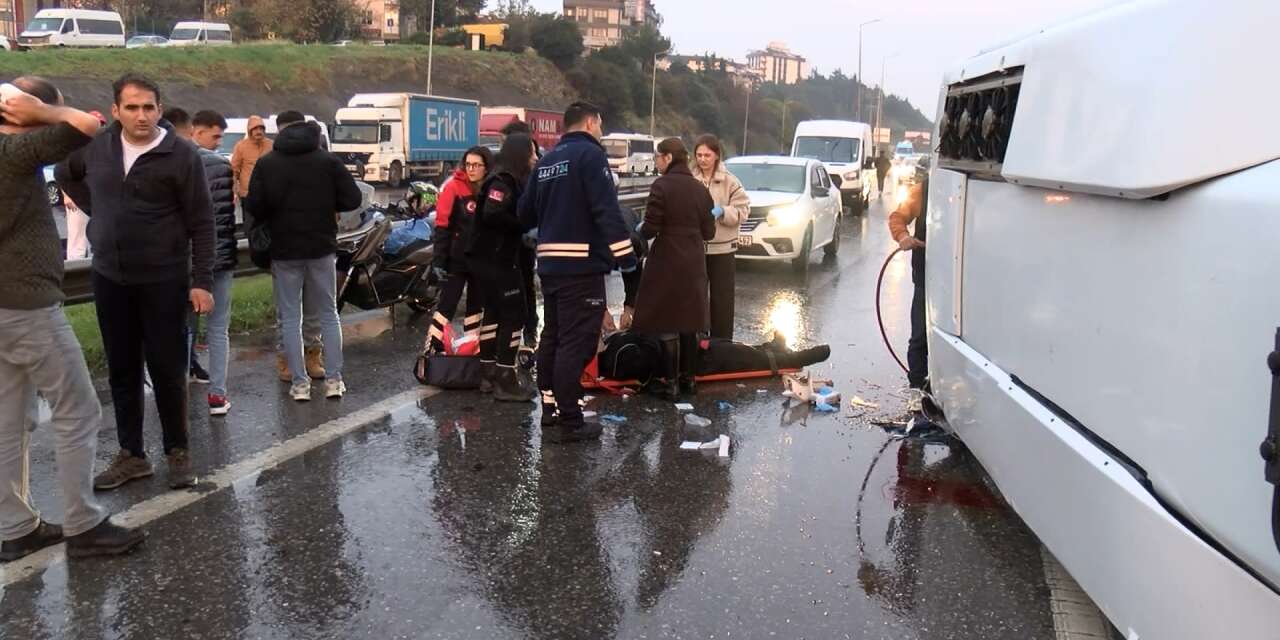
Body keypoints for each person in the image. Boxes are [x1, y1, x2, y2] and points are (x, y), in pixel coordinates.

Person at [0, 76, 144, 561]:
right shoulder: (13, 152)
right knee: (78, 409)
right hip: (26, 304)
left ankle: (16, 528)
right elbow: (87, 124)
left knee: (8, 420)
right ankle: (84, 524)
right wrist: (44, 110)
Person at [55, 75, 214, 492]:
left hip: (164, 277)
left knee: (167, 368)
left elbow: (202, 222)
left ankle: (177, 452)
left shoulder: (181, 154)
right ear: (116, 111)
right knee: (122, 368)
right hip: (111, 276)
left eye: (148, 107)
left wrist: (201, 280)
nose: (141, 116)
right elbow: (65, 172)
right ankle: (132, 455)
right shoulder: (97, 147)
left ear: (159, 109)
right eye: (131, 107)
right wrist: (102, 212)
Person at [519, 102, 638, 443]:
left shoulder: (546, 162)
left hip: (550, 266)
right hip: (582, 266)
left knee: (553, 336)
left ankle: (550, 408)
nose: (600, 131)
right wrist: (627, 258)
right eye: (599, 125)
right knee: (577, 343)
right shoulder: (591, 156)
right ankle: (571, 419)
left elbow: (524, 213)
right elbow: (606, 211)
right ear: (589, 123)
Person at [247, 110, 362, 402]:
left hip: (284, 250)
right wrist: (327, 203)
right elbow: (353, 198)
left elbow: (255, 206)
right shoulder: (328, 161)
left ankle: (299, 384)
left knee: (289, 318)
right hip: (321, 248)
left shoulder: (267, 163)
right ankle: (334, 380)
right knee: (328, 314)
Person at [630, 137, 716, 399]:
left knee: (667, 320)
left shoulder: (661, 186)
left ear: (668, 158)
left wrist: (639, 230)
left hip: (667, 259)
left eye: (658, 156)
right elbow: (709, 232)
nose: (656, 162)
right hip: (693, 260)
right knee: (689, 321)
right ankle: (689, 379)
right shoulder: (700, 189)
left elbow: (651, 227)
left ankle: (670, 384)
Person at [467, 134, 538, 402]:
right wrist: (522, 227)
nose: (535, 158)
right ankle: (506, 377)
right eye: (531, 153)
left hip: (486, 258)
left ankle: (487, 371)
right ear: (520, 155)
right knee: (515, 314)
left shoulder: (501, 177)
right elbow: (492, 213)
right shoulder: (503, 181)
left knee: (494, 312)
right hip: (497, 259)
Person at [187, 109, 237, 416]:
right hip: (219, 257)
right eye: (216, 136)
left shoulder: (173, 161)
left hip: (187, 260)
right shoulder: (222, 165)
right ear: (197, 131)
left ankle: (178, 390)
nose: (219, 143)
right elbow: (227, 218)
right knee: (218, 328)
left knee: (185, 327)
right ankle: (217, 394)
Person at [426, 146, 492, 354]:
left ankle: (471, 349)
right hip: (457, 259)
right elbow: (442, 226)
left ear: (486, 167)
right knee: (447, 304)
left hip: (480, 259)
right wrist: (438, 261)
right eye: (468, 164)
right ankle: (432, 348)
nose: (471, 169)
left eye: (477, 165)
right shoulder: (453, 187)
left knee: (475, 308)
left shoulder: (490, 189)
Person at [168, 106, 213, 386]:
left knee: (186, 319)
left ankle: (185, 366)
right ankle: (181, 369)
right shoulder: (189, 158)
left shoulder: (194, 159)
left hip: (181, 256)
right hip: (179, 257)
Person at [692, 134, 750, 340]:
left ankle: (723, 343)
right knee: (695, 299)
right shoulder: (690, 180)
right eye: (699, 155)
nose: (702, 159)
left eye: (707, 155)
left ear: (716, 155)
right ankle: (696, 342)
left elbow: (743, 210)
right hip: (695, 249)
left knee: (722, 300)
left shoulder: (730, 181)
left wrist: (723, 211)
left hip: (723, 250)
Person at [498, 119, 541, 345]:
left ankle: (530, 329)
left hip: (525, 240)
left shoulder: (536, 167)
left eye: (505, 142)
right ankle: (507, 334)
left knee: (526, 283)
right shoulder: (500, 169)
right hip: (506, 240)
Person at [888, 179, 929, 389]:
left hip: (964, 278)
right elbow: (897, 217)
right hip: (926, 276)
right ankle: (917, 388)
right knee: (920, 336)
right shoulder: (924, 189)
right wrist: (903, 236)